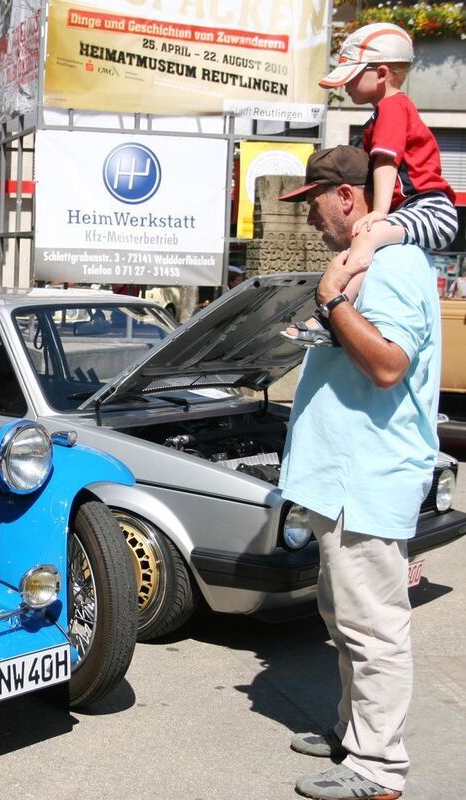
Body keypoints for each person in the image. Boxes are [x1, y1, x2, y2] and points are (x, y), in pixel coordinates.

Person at [277, 145, 441, 800]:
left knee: (373, 628)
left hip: (364, 478)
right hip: (339, 479)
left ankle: (376, 771)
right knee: (345, 618)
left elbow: (388, 365)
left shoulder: (394, 263)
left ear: (345, 196)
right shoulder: (364, 263)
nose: (309, 218)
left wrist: (329, 301)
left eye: (313, 201)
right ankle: (353, 734)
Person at [282, 22, 457, 347]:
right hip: (422, 208)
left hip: (430, 208)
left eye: (351, 75)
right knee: (365, 243)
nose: (345, 85)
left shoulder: (392, 108)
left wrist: (378, 212)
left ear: (381, 73)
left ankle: (331, 313)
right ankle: (335, 315)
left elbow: (387, 161)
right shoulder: (385, 112)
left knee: (366, 236)